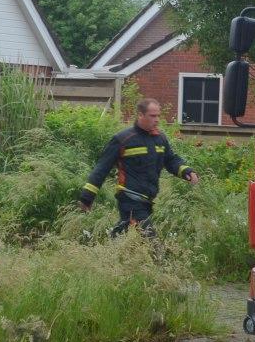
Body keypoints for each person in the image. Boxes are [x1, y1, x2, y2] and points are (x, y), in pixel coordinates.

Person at [79, 98, 199, 237]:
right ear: (140, 115)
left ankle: (108, 241)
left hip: (147, 201)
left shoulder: (160, 138)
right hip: (129, 198)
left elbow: (171, 160)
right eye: (152, 116)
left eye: (158, 115)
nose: (157, 120)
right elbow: (102, 168)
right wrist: (87, 197)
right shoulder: (122, 139)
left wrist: (186, 171)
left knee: (127, 238)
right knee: (150, 241)